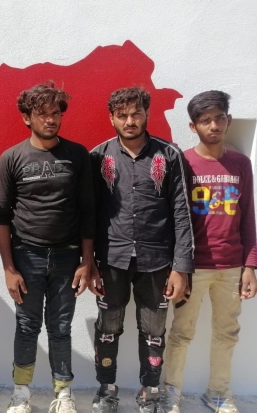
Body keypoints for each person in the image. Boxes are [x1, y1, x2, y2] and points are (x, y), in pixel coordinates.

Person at [0, 82, 95, 413]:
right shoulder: (11, 158)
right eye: (42, 114)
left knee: (60, 329)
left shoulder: (77, 155)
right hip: (26, 256)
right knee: (27, 327)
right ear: (27, 117)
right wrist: (9, 269)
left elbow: (88, 211)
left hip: (67, 257)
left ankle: (63, 394)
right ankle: (21, 394)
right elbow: (1, 217)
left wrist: (87, 261)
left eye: (55, 113)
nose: (51, 120)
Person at [89, 87, 192, 413]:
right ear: (112, 118)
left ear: (147, 113)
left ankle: (150, 391)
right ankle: (106, 389)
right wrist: (88, 263)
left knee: (154, 330)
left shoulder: (169, 155)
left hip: (157, 260)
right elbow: (88, 213)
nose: (130, 121)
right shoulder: (98, 157)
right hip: (111, 259)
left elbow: (182, 213)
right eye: (122, 115)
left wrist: (182, 267)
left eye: (136, 114)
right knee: (108, 328)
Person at [162, 91, 257, 413]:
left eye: (219, 118)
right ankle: (171, 392)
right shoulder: (184, 162)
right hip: (193, 266)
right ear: (193, 126)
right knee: (181, 333)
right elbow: (173, 217)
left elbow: (247, 216)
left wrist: (250, 265)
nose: (213, 126)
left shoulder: (240, 164)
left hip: (231, 266)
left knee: (227, 333)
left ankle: (218, 393)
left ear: (228, 120)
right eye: (205, 120)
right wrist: (177, 266)